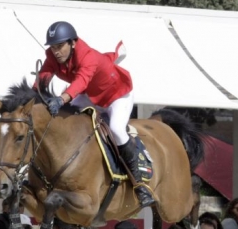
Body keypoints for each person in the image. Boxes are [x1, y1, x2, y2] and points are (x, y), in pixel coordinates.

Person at [37, 21, 154, 209]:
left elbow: (81, 81)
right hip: (91, 97)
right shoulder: (52, 56)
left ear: (72, 43)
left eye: (60, 46)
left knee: (116, 129)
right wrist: (33, 97)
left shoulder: (88, 57)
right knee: (67, 119)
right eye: (53, 47)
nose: (56, 51)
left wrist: (61, 99)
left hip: (117, 95)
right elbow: (44, 74)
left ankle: (140, 183)